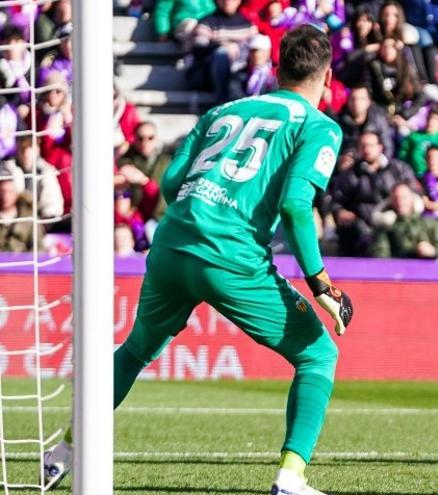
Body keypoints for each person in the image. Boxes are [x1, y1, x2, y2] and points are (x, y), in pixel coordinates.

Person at [42, 27, 354, 495]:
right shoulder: (318, 127)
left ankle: (63, 453)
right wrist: (322, 283)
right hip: (231, 256)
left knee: (132, 352)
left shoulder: (223, 110)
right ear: (328, 77)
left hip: (171, 247)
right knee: (317, 354)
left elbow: (170, 185)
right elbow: (294, 205)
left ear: (275, 70)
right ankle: (290, 479)